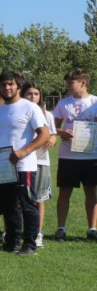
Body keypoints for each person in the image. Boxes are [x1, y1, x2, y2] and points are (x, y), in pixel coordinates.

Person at [0, 71, 50, 255]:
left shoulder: (30, 107)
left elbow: (44, 134)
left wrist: (24, 151)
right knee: (10, 205)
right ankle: (12, 241)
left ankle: (30, 244)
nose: (7, 88)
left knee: (27, 205)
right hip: (3, 166)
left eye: (10, 84)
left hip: (24, 166)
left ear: (18, 86)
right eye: (3, 85)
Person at [52, 69, 97, 241]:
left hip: (91, 156)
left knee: (91, 193)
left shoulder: (95, 102)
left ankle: (92, 229)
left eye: (71, 83)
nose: (68, 86)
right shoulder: (63, 103)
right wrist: (62, 132)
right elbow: (53, 127)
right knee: (64, 193)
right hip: (68, 156)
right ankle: (61, 228)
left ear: (83, 83)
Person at [23, 82, 57, 246]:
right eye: (29, 93)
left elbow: (52, 134)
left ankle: (38, 233)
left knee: (39, 198)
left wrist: (53, 138)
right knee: (19, 198)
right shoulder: (19, 111)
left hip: (41, 161)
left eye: (36, 94)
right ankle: (14, 231)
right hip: (22, 161)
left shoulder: (47, 115)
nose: (33, 97)